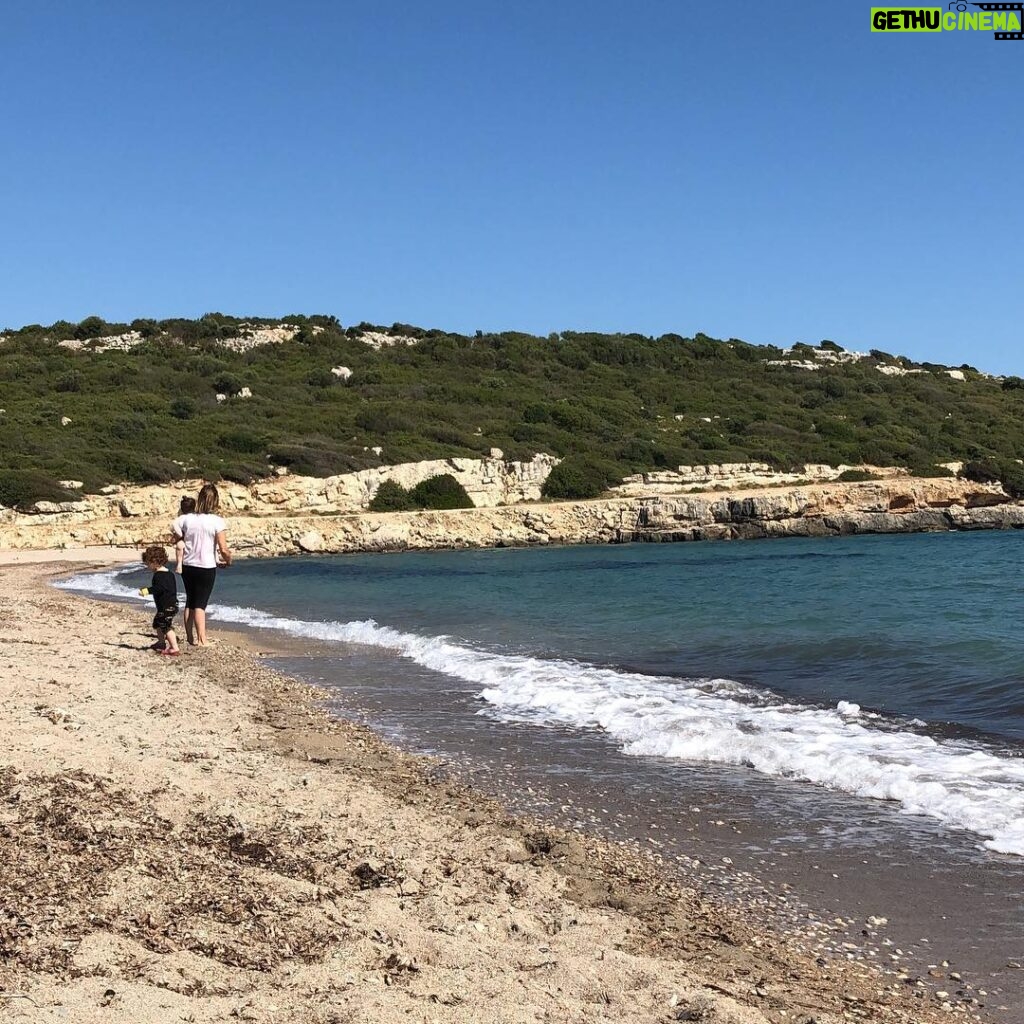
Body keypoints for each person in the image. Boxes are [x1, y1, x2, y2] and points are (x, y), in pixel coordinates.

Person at [171, 483, 231, 646]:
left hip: (188, 565)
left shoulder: (188, 519)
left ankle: (190, 637)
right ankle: (202, 639)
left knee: (190, 601)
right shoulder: (217, 521)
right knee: (200, 604)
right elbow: (223, 549)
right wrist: (228, 560)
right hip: (206, 566)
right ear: (216, 501)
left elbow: (176, 535)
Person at [141, 544, 181, 656]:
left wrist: (147, 591)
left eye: (148, 563)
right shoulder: (169, 574)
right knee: (158, 623)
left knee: (165, 626)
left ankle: (174, 648)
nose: (147, 566)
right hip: (171, 604)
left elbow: (159, 588)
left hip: (166, 606)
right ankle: (161, 642)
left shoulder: (159, 575)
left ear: (154, 562)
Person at [173, 496, 196, 574]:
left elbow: (179, 534)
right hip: (198, 540)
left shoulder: (178, 520)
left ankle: (179, 565)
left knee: (179, 545)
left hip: (185, 540)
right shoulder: (198, 518)